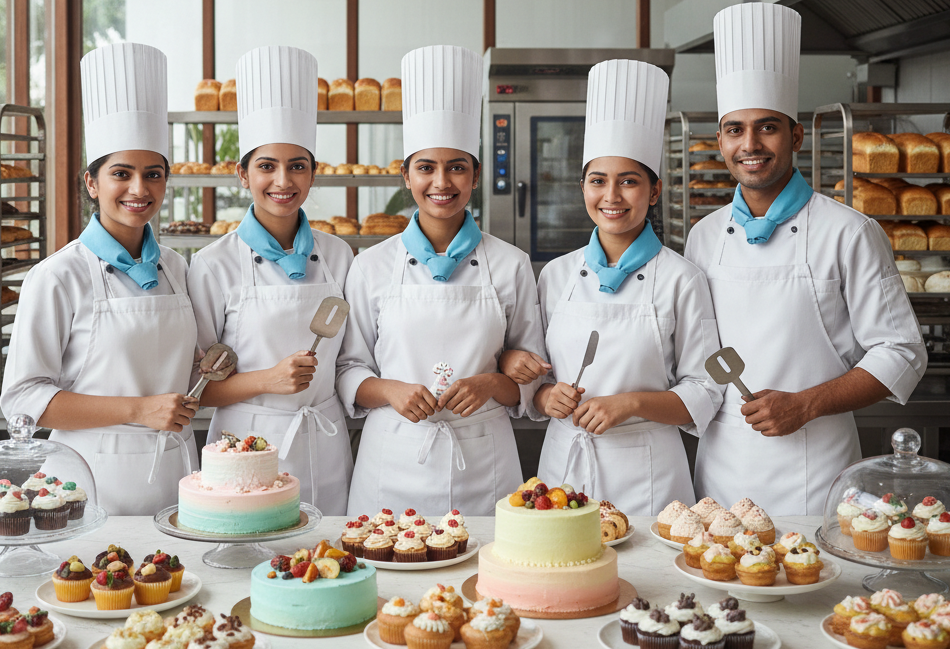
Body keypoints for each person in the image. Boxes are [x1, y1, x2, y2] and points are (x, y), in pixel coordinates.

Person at [687, 2, 927, 513]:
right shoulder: (704, 236)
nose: (750, 144)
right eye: (735, 130)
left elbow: (902, 352)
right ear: (720, 141)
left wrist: (806, 403)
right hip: (721, 471)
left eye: (767, 127)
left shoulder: (848, 231)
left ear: (796, 136)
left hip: (815, 471)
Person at [499, 59, 723, 513]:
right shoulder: (555, 275)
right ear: (582, 187)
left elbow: (707, 388)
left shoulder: (682, 277)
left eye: (629, 182)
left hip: (651, 476)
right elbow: (533, 377)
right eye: (598, 181)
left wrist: (631, 403)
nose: (612, 197)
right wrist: (544, 394)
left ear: (654, 191)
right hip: (564, 468)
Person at [337, 45, 546, 516]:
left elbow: (529, 381)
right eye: (426, 167)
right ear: (405, 175)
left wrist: (492, 383)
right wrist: (391, 390)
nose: (442, 182)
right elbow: (348, 370)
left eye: (457, 167)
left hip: (484, 464)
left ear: (475, 176)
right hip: (391, 461)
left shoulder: (510, 264)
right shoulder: (370, 265)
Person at [1, 43, 199, 515]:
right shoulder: (57, 276)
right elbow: (23, 399)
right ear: (92, 183)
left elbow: (177, 369)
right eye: (121, 173)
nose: (139, 189)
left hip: (177, 474)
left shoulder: (175, 267)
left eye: (153, 174)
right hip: (89, 482)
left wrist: (208, 363)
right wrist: (137, 410)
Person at [187, 46, 354, 513]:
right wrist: (268, 379)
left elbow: (350, 363)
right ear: (242, 174)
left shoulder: (339, 255)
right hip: (243, 450)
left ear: (313, 174)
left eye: (297, 165)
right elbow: (195, 387)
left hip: (324, 442)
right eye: (266, 166)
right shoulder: (213, 264)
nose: (283, 180)